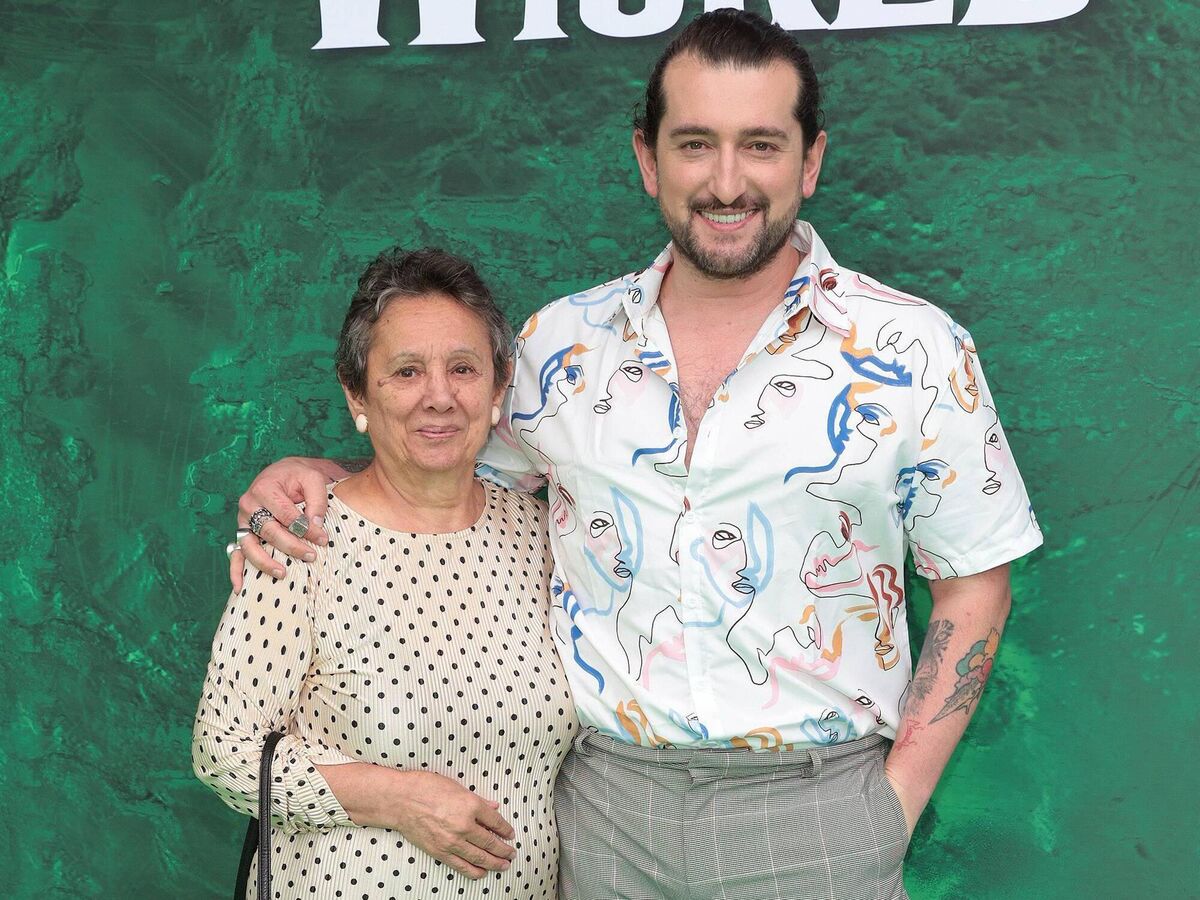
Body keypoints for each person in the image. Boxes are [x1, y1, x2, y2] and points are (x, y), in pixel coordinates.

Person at [232, 11, 1042, 899]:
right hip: (604, 814)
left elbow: (974, 583)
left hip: (821, 810)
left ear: (809, 162)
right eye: (695, 144)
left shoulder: (918, 349)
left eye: (761, 146)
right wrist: (318, 474)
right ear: (648, 159)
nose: (726, 181)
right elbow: (441, 479)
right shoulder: (559, 347)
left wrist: (893, 804)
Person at [194, 247, 577, 899]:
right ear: (357, 395)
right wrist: (397, 800)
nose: (439, 397)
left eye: (463, 368)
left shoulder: (547, 538)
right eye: (405, 371)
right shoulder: (299, 539)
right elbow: (223, 752)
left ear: (498, 389)